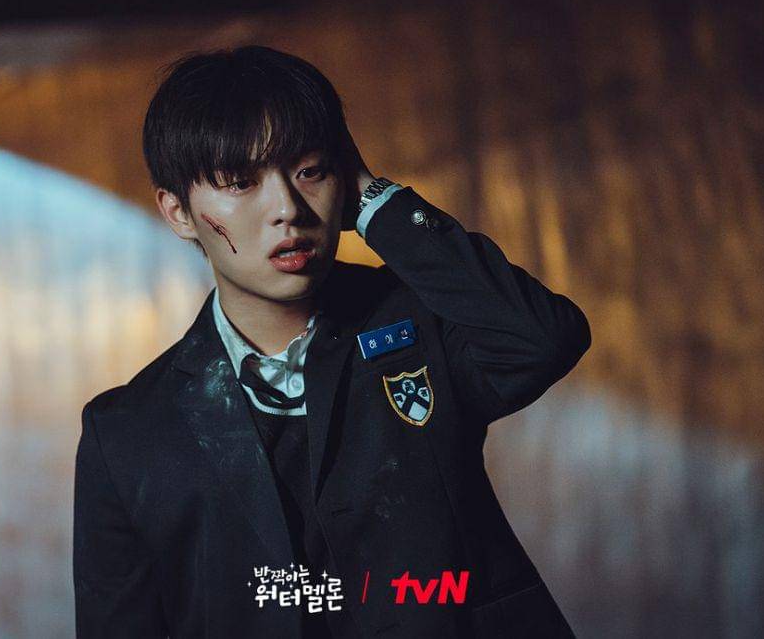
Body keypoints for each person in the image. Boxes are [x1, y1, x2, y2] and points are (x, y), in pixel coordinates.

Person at [73, 44, 590, 638]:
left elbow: (543, 339)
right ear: (178, 211)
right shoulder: (128, 432)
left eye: (310, 171)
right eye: (240, 182)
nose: (287, 209)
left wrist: (370, 197)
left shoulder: (423, 325)